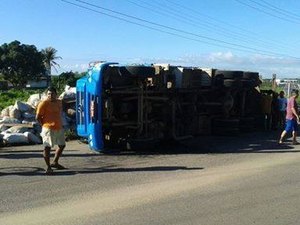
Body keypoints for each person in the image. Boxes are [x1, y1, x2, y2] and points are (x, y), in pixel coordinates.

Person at [36, 87, 66, 174]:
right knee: (47, 147)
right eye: (49, 94)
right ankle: (48, 167)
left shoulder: (59, 102)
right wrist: (44, 125)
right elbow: (37, 117)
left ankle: (55, 162)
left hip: (58, 127)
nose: (50, 95)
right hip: (48, 128)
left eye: (52, 93)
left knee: (62, 145)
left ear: (56, 94)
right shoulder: (43, 103)